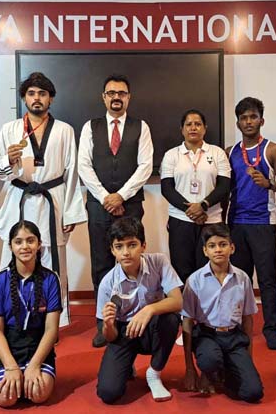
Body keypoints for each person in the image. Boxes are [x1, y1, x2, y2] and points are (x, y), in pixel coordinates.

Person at [0, 72, 87, 327]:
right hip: (19, 197)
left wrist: (71, 211)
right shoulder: (9, 129)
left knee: (52, 258)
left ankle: (56, 317)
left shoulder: (65, 130)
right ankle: (10, 314)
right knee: (15, 255)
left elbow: (72, 172)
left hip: (52, 199)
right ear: (24, 97)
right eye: (32, 93)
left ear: (50, 99)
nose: (37, 98)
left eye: (42, 94)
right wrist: (8, 160)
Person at [78, 74, 153, 348]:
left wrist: (120, 195)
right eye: (111, 93)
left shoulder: (140, 127)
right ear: (104, 97)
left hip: (130, 204)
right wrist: (106, 197)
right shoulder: (90, 127)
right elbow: (83, 166)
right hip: (98, 205)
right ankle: (103, 324)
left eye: (121, 93)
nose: (116, 97)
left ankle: (133, 318)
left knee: (131, 263)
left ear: (129, 97)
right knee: (101, 265)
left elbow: (145, 166)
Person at [226, 97, 276, 350]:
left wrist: (270, 184)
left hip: (263, 221)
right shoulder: (230, 151)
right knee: (239, 279)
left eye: (253, 117)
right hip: (236, 222)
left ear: (261, 120)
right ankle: (239, 327)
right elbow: (225, 188)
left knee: (267, 279)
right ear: (238, 122)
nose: (249, 121)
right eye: (244, 118)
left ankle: (271, 330)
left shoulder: (273, 150)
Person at [95, 217, 183, 404]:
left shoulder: (159, 262)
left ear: (143, 245)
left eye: (132, 245)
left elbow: (178, 302)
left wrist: (149, 310)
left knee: (171, 319)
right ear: (112, 251)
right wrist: (109, 325)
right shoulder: (107, 283)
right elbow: (109, 336)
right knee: (108, 393)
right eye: (119, 247)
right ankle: (127, 364)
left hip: (151, 328)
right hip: (123, 332)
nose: (126, 253)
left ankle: (154, 373)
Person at [181, 224, 263, 402]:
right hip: (207, 335)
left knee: (253, 392)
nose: (218, 250)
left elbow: (248, 318)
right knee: (209, 359)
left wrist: (248, 359)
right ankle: (209, 371)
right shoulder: (194, 280)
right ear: (205, 251)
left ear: (232, 248)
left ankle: (224, 372)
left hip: (234, 338)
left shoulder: (242, 278)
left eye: (223, 244)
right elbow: (187, 321)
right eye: (212, 246)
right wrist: (189, 368)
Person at [0, 221, 61, 408]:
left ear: (39, 244)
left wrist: (34, 365)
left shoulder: (51, 278)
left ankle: (28, 373)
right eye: (18, 242)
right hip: (7, 344)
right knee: (6, 397)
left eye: (30, 241)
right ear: (11, 246)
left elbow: (51, 330)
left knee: (39, 394)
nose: (25, 246)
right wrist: (11, 367)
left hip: (36, 343)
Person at [161, 109, 231, 283]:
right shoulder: (172, 155)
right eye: (189, 124)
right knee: (182, 269)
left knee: (209, 271)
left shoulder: (217, 153)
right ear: (182, 129)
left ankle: (209, 309)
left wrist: (203, 206)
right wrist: (190, 209)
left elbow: (224, 185)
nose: (193, 128)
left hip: (211, 220)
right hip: (181, 220)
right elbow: (167, 189)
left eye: (198, 124)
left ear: (205, 128)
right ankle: (186, 310)